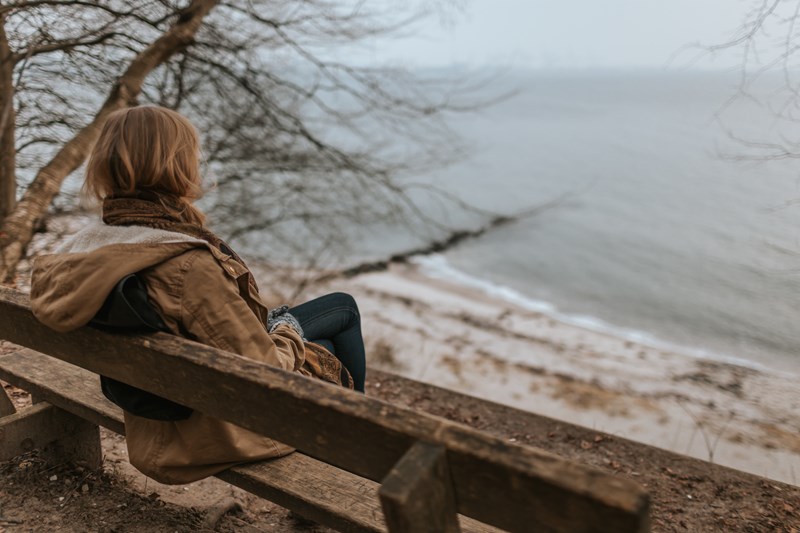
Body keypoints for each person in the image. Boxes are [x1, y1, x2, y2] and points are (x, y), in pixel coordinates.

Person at [28, 105, 367, 484]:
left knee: (339, 307)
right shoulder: (187, 265)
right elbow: (265, 372)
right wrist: (286, 330)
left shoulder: (84, 248)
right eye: (192, 155)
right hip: (207, 433)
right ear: (175, 164)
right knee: (333, 334)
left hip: (154, 419)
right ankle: (359, 458)